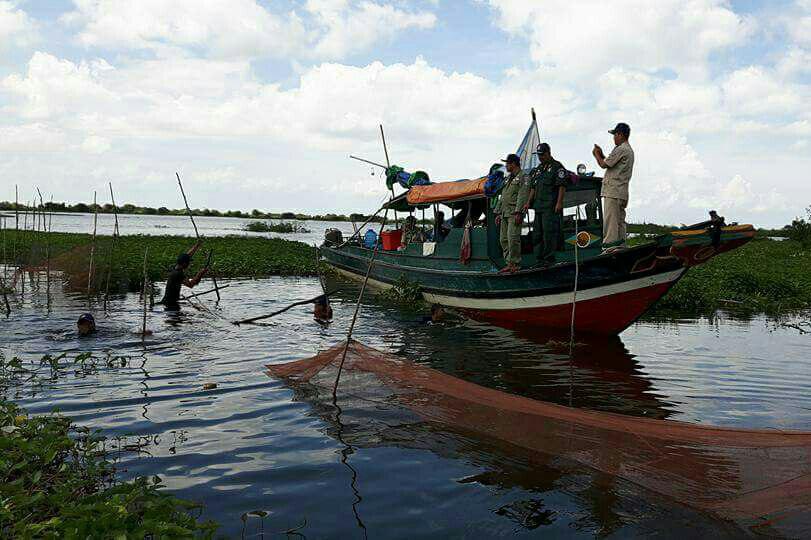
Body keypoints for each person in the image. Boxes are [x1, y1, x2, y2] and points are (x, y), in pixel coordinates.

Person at [593, 122, 635, 248]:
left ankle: (609, 249)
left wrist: (596, 154)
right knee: (620, 223)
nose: (613, 138)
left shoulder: (621, 148)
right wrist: (601, 155)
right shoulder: (629, 150)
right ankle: (621, 247)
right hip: (622, 193)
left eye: (615, 135)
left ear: (620, 134)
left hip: (613, 192)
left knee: (611, 223)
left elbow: (604, 164)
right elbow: (611, 162)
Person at [526, 143, 567, 266]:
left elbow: (562, 185)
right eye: (539, 155)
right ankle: (539, 260)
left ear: (548, 153)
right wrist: (528, 202)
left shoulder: (557, 167)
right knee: (537, 234)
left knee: (548, 234)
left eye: (542, 155)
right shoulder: (538, 170)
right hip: (538, 207)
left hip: (550, 207)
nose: (540, 157)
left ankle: (548, 259)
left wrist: (559, 202)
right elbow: (533, 187)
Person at [494, 153, 530, 273]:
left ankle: (515, 263)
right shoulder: (508, 179)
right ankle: (509, 263)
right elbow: (503, 196)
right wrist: (498, 213)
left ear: (513, 164)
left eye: (507, 163)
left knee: (513, 239)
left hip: (514, 213)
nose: (506, 165)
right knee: (503, 239)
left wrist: (519, 212)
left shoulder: (523, 177)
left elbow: (523, 194)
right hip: (505, 213)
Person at [159, 241, 208, 311]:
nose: (189, 265)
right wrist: (200, 273)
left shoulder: (175, 267)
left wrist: (196, 246)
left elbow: (188, 255)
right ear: (185, 264)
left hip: (168, 301)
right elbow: (191, 284)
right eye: (188, 263)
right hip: (171, 304)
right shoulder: (178, 274)